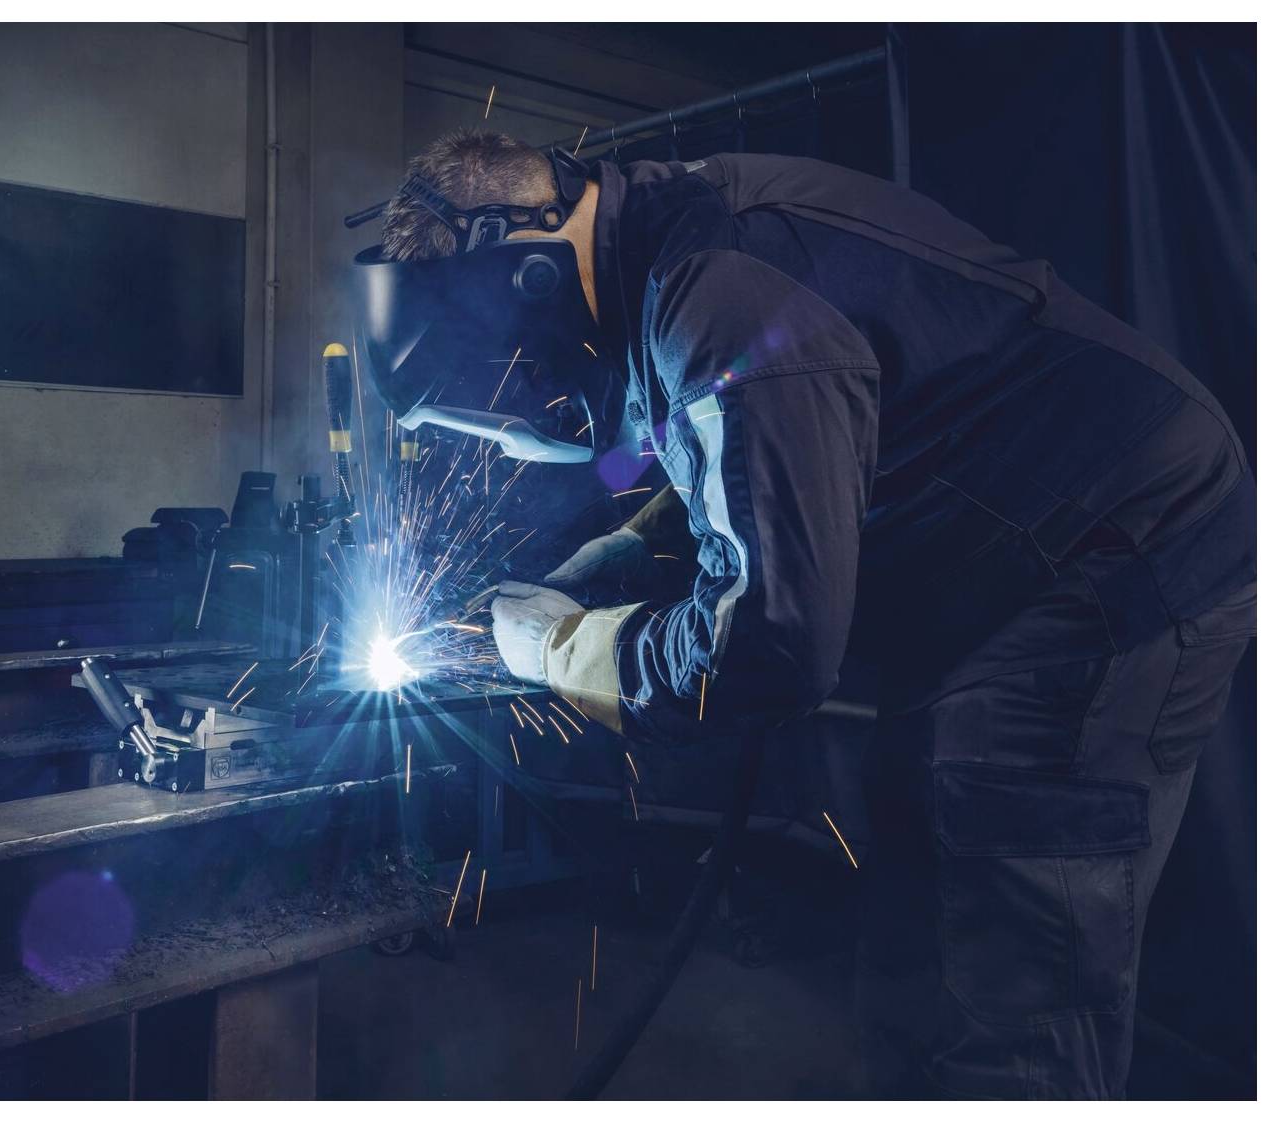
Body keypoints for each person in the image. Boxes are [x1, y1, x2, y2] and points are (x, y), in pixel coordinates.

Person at [353, 129, 1256, 1099]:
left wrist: (560, 646)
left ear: (520, 281)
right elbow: (756, 449)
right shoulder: (659, 251)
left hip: (1116, 544)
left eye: (492, 384)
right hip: (1003, 558)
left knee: (1006, 934)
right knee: (919, 906)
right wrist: (629, 554)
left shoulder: (715, 294)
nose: (516, 405)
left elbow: (774, 640)